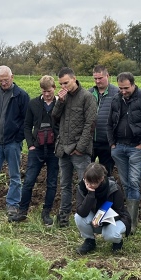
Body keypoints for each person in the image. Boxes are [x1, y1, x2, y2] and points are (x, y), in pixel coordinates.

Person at [108, 72, 141, 231]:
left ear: (133, 84)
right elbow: (109, 123)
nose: (123, 91)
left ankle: (132, 224)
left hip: (136, 148)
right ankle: (127, 219)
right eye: (120, 88)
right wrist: (112, 144)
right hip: (119, 147)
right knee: (126, 182)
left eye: (126, 88)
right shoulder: (116, 99)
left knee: (134, 182)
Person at [10, 75, 59, 225]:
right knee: (29, 181)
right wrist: (30, 144)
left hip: (54, 150)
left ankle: (46, 212)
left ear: (54, 88)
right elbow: (26, 126)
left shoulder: (60, 104)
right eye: (44, 91)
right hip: (37, 148)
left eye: (49, 91)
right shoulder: (34, 104)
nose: (46, 94)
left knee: (51, 182)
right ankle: (22, 211)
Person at [0, 65, 29, 217]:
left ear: (12, 77)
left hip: (12, 143)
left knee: (14, 175)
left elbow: (26, 120)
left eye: (6, 80)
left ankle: (13, 204)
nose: (3, 83)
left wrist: (18, 138)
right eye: (1, 80)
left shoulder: (21, 95)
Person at [53, 67, 98, 227]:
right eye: (61, 83)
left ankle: (87, 218)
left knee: (85, 184)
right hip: (63, 149)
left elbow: (90, 124)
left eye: (66, 82)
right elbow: (54, 117)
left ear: (74, 79)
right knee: (65, 185)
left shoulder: (87, 97)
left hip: (79, 150)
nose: (64, 86)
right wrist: (60, 102)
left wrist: (80, 147)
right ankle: (63, 217)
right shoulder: (62, 98)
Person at [74, 163, 131, 255]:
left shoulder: (114, 188)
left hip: (115, 219)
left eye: (93, 182)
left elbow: (119, 212)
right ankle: (89, 241)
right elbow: (81, 212)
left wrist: (102, 221)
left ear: (101, 179)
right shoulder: (82, 187)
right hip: (95, 216)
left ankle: (117, 242)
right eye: (87, 181)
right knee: (78, 217)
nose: (90, 185)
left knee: (109, 235)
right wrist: (90, 194)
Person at [89, 65, 119, 175]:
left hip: (108, 142)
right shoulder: (89, 93)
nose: (97, 81)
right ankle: (89, 192)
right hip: (90, 141)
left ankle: (106, 191)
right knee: (87, 172)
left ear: (107, 76)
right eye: (95, 78)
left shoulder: (117, 93)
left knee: (106, 173)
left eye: (100, 78)